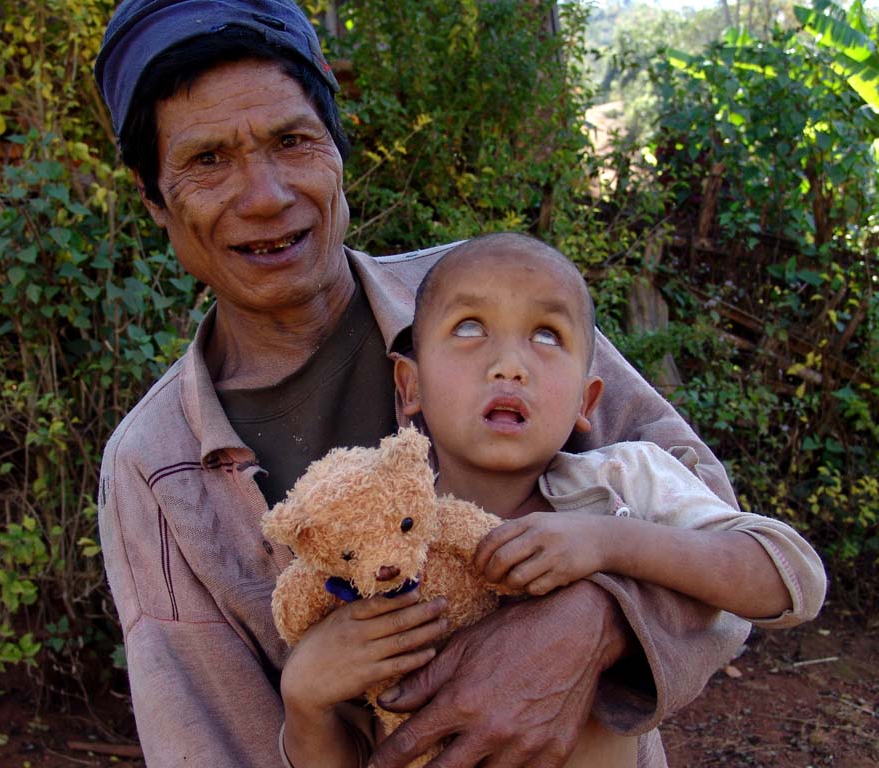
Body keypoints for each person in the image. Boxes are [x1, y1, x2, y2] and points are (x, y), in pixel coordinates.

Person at [93, 2, 760, 766]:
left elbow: (723, 538)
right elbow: (209, 745)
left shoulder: (494, 301)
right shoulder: (155, 469)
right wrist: (308, 700)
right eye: (207, 159)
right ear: (154, 198)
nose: (266, 195)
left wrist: (598, 618)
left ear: (338, 150)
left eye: (292, 140)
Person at [276, 232, 826, 768]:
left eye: (545, 335)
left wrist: (610, 544)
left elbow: (793, 579)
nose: (510, 364)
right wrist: (305, 700)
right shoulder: (380, 541)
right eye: (470, 327)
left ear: (586, 401)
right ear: (410, 387)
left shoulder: (622, 482)